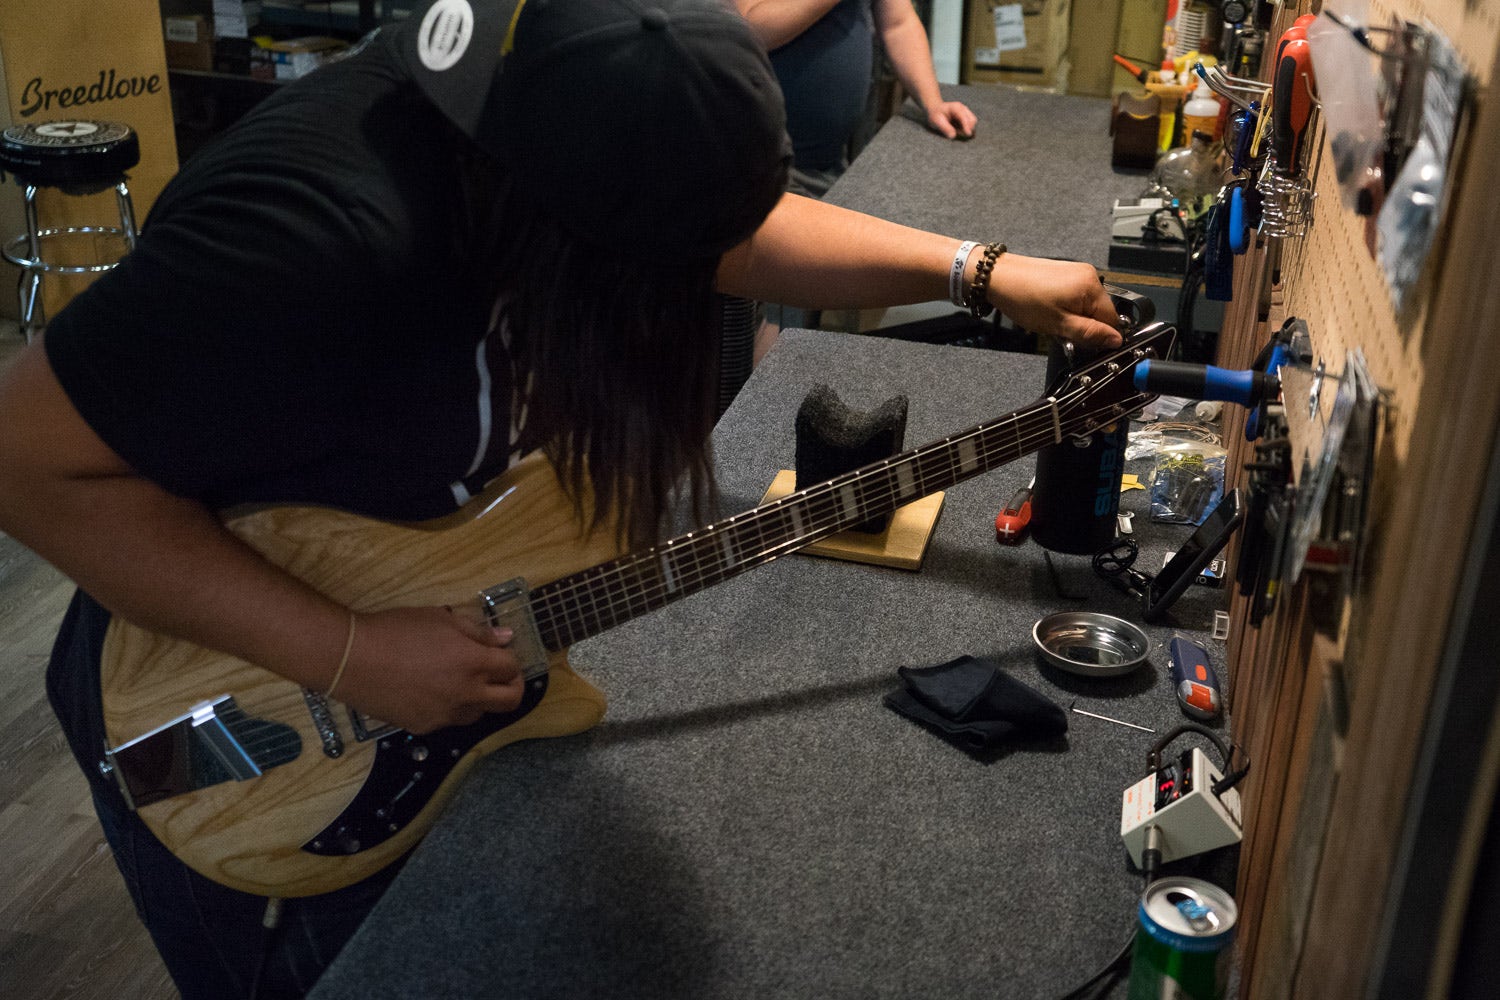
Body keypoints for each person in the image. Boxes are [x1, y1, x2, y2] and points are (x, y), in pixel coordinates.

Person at [0, 0, 1119, 996]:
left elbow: (721, 234)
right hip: (238, 704)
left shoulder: (552, 117)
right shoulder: (311, 236)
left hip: (403, 603)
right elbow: (21, 457)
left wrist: (977, 268)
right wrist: (349, 653)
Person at [738, 0, 978, 197]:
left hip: (829, 160)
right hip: (759, 166)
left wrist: (932, 102)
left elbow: (898, 24)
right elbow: (747, 28)